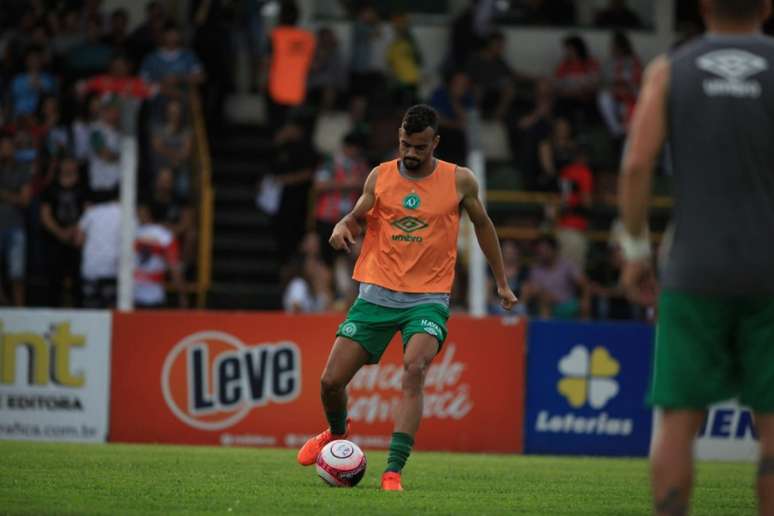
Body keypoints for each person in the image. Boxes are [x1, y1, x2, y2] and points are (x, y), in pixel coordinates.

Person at [295, 105, 518, 491]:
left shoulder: (460, 180)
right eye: (404, 145)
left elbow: (483, 226)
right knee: (330, 382)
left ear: (435, 143)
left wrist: (501, 282)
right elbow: (357, 213)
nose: (410, 154)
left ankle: (393, 470)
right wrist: (344, 224)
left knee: (414, 368)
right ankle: (336, 432)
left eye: (418, 147)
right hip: (376, 294)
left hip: (427, 298)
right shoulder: (380, 175)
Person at [618, 1, 774, 514]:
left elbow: (637, 165)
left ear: (703, 5)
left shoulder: (669, 69)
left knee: (678, 423)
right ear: (767, 7)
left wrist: (637, 250)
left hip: (693, 269)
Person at [39, 155, 86, 307]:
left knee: (78, 279)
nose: (68, 166)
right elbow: (45, 214)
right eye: (65, 163)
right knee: (54, 279)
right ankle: (52, 311)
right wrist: (60, 233)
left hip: (77, 239)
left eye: (71, 163)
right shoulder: (51, 188)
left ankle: (79, 311)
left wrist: (76, 230)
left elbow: (88, 212)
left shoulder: (83, 187)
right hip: (54, 240)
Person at [520, 234, 590, 319]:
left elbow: (584, 284)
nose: (542, 253)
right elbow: (533, 290)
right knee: (536, 294)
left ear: (554, 250)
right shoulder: (535, 270)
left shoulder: (567, 265)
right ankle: (520, 316)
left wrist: (585, 300)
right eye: (539, 250)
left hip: (567, 304)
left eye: (545, 249)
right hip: (545, 304)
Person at [134, 205, 188, 309]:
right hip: (153, 297)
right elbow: (174, 267)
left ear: (148, 214)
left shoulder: (131, 234)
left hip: (129, 297)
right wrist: (183, 296)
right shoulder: (165, 236)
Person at [0, 134, 32, 306]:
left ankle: (19, 308)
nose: (6, 150)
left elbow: (25, 199)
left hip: (15, 226)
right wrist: (14, 195)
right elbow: (19, 197)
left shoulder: (22, 169)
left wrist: (4, 194)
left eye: (9, 146)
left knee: (17, 273)